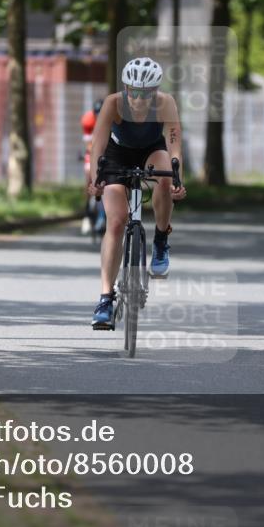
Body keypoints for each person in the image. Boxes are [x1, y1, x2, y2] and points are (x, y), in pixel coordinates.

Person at [86, 58, 187, 329]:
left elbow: (175, 142)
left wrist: (178, 177)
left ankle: (161, 240)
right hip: (117, 154)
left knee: (164, 180)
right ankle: (106, 299)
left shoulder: (165, 103)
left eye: (145, 93)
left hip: (152, 150)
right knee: (116, 222)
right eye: (133, 90)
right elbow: (98, 144)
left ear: (155, 91)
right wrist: (95, 176)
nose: (138, 98)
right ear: (126, 87)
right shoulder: (113, 103)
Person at [80, 99, 105, 235]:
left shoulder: (110, 118)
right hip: (93, 151)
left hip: (107, 151)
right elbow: (89, 144)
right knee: (89, 176)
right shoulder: (88, 120)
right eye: (97, 115)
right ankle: (87, 215)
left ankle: (104, 214)